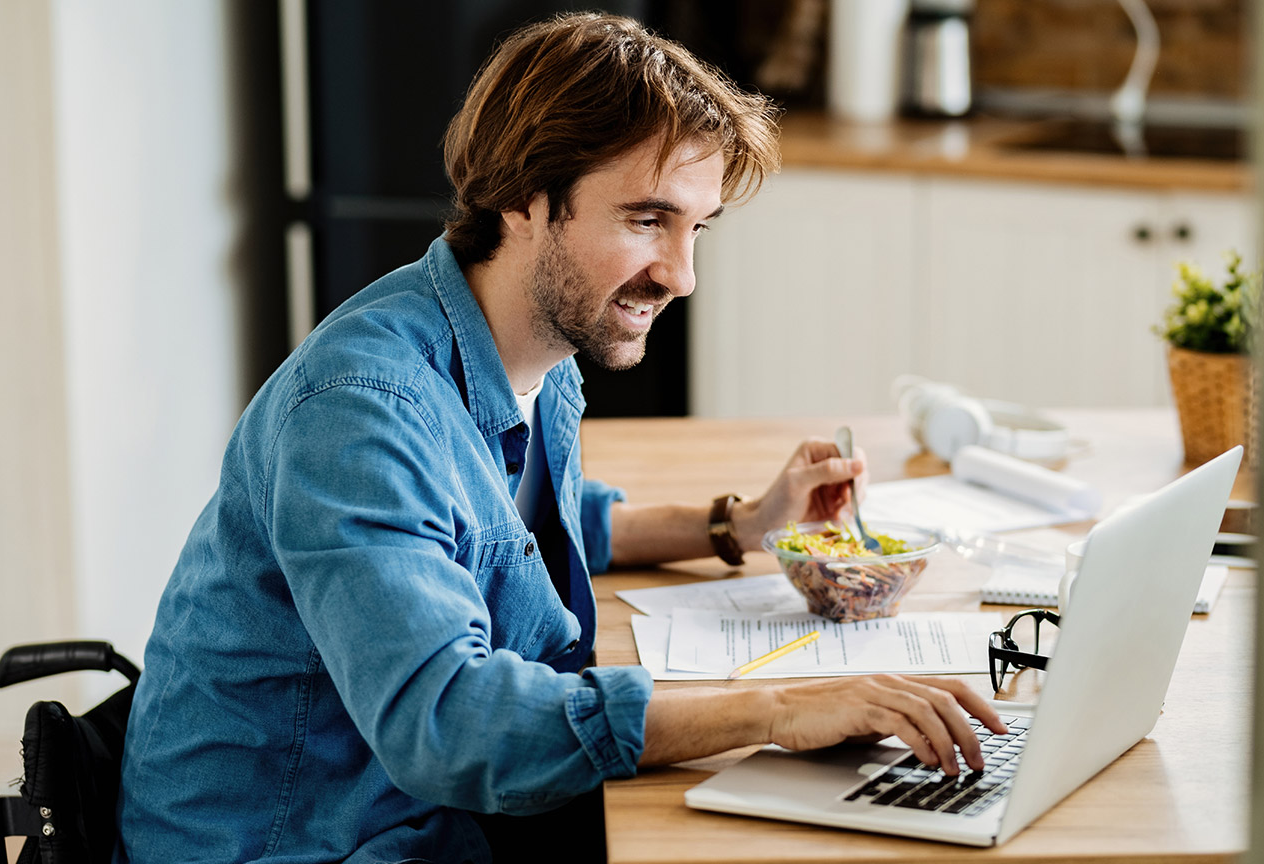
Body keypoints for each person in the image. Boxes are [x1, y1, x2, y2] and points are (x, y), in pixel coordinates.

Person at [114, 13, 1003, 864]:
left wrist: (742, 523)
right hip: (308, 842)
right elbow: (449, 724)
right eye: (646, 219)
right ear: (521, 197)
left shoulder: (534, 354)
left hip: (424, 816)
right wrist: (775, 707)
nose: (681, 275)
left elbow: (531, 520)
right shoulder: (361, 409)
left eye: (697, 228)